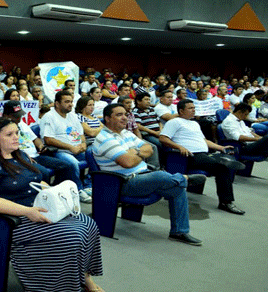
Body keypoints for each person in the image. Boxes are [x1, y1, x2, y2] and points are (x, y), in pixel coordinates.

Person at [0, 117, 104, 292]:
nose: (16, 137)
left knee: (88, 224)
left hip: (38, 209)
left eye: (17, 132)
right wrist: (27, 211)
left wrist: (55, 192)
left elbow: (37, 180)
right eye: (9, 134)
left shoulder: (21, 155)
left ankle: (84, 275)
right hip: (14, 220)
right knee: (68, 236)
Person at [92, 103, 204, 245]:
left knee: (177, 189)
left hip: (143, 175)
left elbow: (149, 148)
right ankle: (184, 178)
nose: (124, 118)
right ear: (107, 118)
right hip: (122, 182)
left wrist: (136, 152)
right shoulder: (104, 139)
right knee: (161, 176)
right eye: (119, 115)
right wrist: (138, 154)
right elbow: (127, 163)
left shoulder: (125, 133)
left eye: (125, 114)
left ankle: (179, 231)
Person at [160, 99, 246, 215]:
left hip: (203, 154)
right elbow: (163, 138)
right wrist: (179, 147)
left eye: (194, 108)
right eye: (190, 108)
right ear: (181, 111)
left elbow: (204, 140)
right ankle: (226, 202)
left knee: (224, 161)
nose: (194, 110)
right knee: (222, 168)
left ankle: (223, 158)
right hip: (189, 156)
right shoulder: (174, 122)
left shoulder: (195, 123)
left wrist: (220, 147)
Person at [40, 90, 92, 202]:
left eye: (71, 101)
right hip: (59, 151)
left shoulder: (72, 116)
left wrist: (83, 143)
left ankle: (88, 186)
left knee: (94, 155)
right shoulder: (49, 117)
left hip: (77, 148)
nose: (70, 104)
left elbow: (81, 134)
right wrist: (70, 147)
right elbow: (48, 139)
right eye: (67, 101)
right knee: (72, 163)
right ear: (57, 104)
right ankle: (78, 190)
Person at [222, 103, 268, 188]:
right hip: (243, 147)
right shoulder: (229, 121)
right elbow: (238, 137)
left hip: (253, 145)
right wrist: (258, 140)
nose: (246, 116)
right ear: (239, 112)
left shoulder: (240, 121)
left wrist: (259, 138)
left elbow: (250, 132)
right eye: (245, 114)